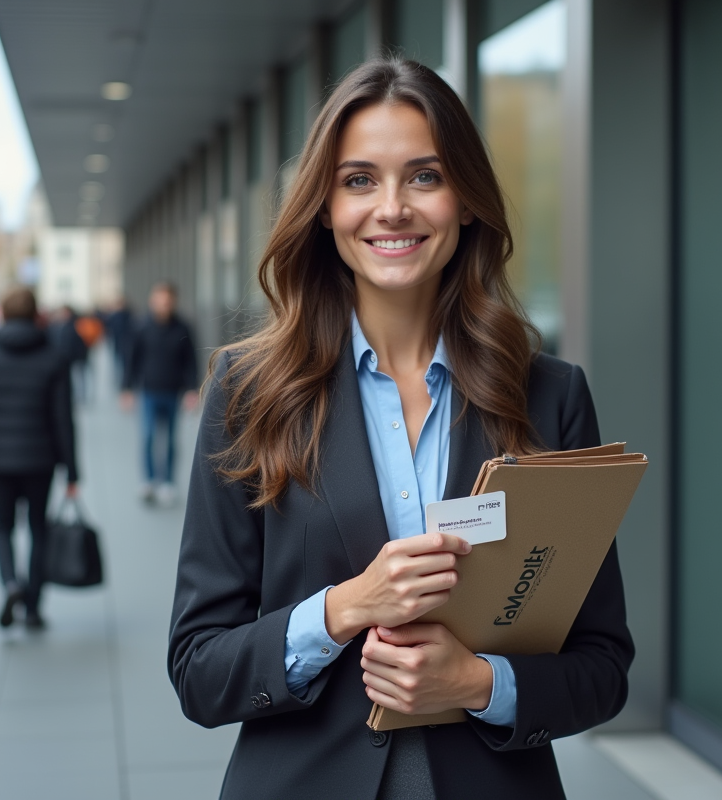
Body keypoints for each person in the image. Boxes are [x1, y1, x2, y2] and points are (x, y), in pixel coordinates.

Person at [167, 59, 634, 799]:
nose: (392, 208)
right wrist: (345, 608)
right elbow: (198, 670)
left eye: (424, 176)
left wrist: (481, 683)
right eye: (359, 180)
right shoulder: (248, 392)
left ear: (467, 202)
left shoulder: (549, 395)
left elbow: (603, 667)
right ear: (324, 207)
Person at [0, 287, 78, 630]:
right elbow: (63, 419)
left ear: (1, 314)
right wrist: (73, 471)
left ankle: (10, 584)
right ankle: (32, 607)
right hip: (41, 459)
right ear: (36, 316)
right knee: (38, 529)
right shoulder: (53, 357)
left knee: (2, 526)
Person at [121, 283, 198, 505]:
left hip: (174, 392)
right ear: (152, 301)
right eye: (159, 300)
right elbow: (131, 359)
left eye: (167, 300)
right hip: (148, 392)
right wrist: (126, 389)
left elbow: (190, 361)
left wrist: (192, 389)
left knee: (171, 440)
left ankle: (168, 482)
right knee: (148, 437)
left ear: (173, 301)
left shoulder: (182, 328)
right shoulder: (141, 327)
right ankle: (149, 480)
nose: (163, 304)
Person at [48, 304, 90, 403]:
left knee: (79, 378)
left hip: (77, 357)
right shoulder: (56, 325)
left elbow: (83, 342)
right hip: (64, 358)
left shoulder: (78, 325)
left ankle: (81, 397)